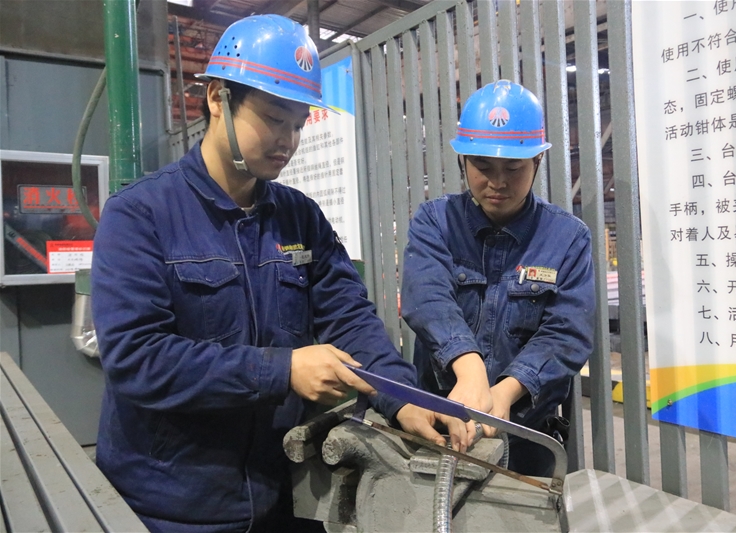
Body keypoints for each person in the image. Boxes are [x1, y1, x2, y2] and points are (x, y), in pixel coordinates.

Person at [92, 15, 466, 533]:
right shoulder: (141, 214)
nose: (287, 140)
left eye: (298, 123)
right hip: (169, 506)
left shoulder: (299, 217)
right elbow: (138, 358)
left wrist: (402, 397)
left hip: (280, 492)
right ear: (218, 98)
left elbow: (349, 318)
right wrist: (282, 370)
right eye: (273, 118)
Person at [401, 80, 595, 476]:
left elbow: (567, 332)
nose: (498, 182)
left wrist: (505, 392)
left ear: (537, 161)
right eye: (483, 167)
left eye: (514, 168)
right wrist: (469, 370)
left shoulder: (568, 238)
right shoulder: (435, 222)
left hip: (525, 435)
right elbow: (428, 298)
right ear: (463, 161)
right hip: (441, 425)